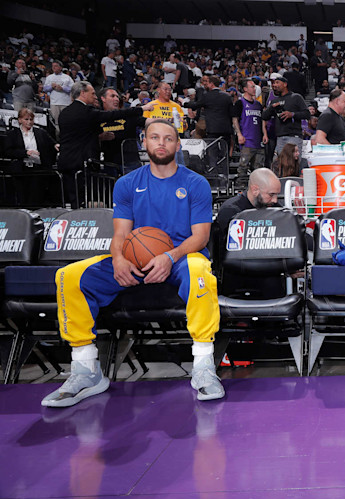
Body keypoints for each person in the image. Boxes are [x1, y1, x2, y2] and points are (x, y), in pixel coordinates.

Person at [41, 120, 224, 408]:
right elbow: (120, 234)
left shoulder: (195, 183)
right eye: (154, 137)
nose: (161, 143)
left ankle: (203, 366)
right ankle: (86, 369)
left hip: (179, 258)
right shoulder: (127, 184)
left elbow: (200, 236)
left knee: (200, 269)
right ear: (144, 143)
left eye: (168, 138)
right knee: (69, 275)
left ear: (177, 145)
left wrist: (169, 256)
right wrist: (118, 259)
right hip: (136, 258)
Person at [58, 81, 154, 207]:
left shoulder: (64, 112)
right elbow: (113, 114)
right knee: (84, 200)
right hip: (82, 162)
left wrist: (98, 136)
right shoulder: (86, 111)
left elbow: (79, 134)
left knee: (73, 202)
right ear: (82, 93)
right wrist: (141, 109)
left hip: (66, 161)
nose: (94, 96)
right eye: (92, 93)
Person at [216, 168, 282, 234]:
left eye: (276, 195)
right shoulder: (231, 210)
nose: (275, 200)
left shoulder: (274, 206)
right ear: (255, 190)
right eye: (271, 194)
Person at [98, 87, 147, 175]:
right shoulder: (97, 117)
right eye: (112, 96)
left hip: (130, 162)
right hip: (109, 162)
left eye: (117, 96)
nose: (116, 99)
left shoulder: (126, 115)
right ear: (103, 98)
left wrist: (168, 120)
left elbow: (146, 121)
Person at [261, 75, 310, 156]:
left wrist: (292, 114)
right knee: (282, 164)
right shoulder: (275, 101)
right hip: (280, 137)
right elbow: (264, 116)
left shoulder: (296, 97)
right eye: (273, 83)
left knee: (294, 162)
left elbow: (307, 114)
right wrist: (271, 108)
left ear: (285, 84)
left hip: (294, 136)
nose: (274, 85)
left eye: (277, 82)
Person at [3, 107, 57, 175]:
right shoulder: (12, 134)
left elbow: (52, 143)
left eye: (31, 119)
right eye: (26, 119)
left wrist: (55, 145)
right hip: (20, 169)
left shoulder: (41, 132)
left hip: (39, 168)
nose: (29, 122)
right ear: (20, 120)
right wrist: (26, 153)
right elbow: (8, 152)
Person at [233, 78, 267, 183]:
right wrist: (239, 134)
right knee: (243, 166)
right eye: (252, 87)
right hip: (247, 139)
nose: (254, 89)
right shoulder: (240, 103)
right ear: (245, 89)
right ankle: (241, 187)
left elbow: (262, 121)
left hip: (258, 140)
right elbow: (235, 120)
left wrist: (265, 134)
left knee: (259, 168)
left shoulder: (258, 105)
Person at [183, 76, 234, 140]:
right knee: (225, 148)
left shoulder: (207, 96)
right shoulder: (227, 96)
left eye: (207, 82)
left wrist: (184, 103)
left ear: (211, 84)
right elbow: (232, 113)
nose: (206, 84)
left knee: (213, 148)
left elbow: (195, 105)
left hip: (213, 129)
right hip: (226, 129)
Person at [43, 60, 73, 136]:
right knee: (55, 122)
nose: (54, 68)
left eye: (56, 66)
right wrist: (51, 87)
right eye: (53, 66)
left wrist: (63, 88)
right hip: (54, 103)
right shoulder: (49, 77)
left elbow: (73, 89)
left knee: (66, 121)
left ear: (61, 67)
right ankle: (57, 139)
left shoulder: (67, 77)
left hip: (65, 103)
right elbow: (45, 89)